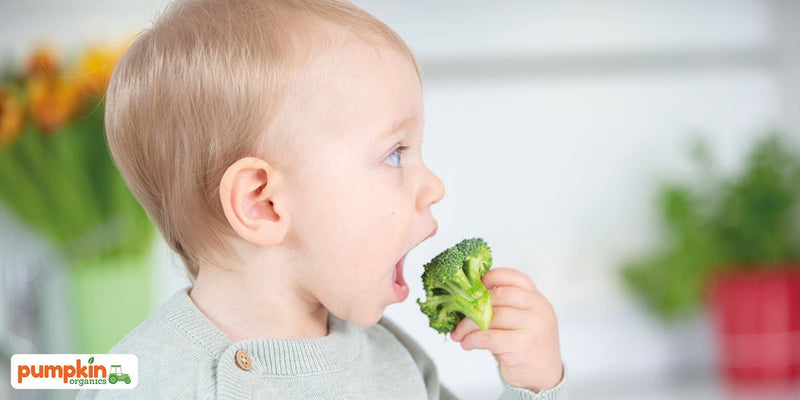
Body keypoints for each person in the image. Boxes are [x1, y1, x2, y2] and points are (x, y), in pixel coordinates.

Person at [76, 0, 565, 398]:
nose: (434, 185)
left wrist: (533, 383)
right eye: (395, 154)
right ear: (263, 203)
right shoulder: (134, 380)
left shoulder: (394, 362)